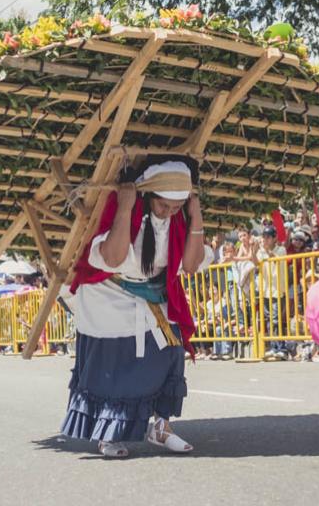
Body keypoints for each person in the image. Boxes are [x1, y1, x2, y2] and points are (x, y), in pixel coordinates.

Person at [60, 156, 210, 458]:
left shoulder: (179, 219)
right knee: (114, 367)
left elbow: (192, 265)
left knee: (169, 355)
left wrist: (194, 216)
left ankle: (161, 427)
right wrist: (126, 207)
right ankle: (109, 435)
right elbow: (113, 259)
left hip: (155, 296)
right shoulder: (122, 209)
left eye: (176, 207)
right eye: (163, 206)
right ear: (147, 195)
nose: (169, 213)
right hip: (108, 295)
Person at [254, 225, 289, 360]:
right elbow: (255, 263)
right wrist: (254, 250)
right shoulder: (261, 252)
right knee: (269, 320)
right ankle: (274, 348)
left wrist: (266, 250)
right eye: (264, 237)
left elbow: (276, 258)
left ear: (275, 238)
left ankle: (282, 348)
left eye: (268, 237)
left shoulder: (281, 249)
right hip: (265, 290)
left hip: (278, 290)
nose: (266, 240)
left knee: (277, 320)